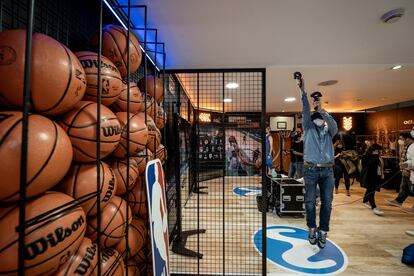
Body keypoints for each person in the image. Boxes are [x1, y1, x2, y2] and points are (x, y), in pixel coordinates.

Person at [298, 80, 338, 249]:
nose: (318, 121)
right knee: (309, 202)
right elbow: (306, 112)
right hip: (311, 170)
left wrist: (321, 109)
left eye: (320, 119)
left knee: (327, 203)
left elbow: (334, 125)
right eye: (315, 119)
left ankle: (323, 230)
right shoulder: (308, 129)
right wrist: (303, 91)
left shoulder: (330, 131)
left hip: (328, 171)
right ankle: (312, 228)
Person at [386, 132, 414, 212]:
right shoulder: (407, 146)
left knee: (411, 188)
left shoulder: (412, 147)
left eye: (401, 139)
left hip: (410, 171)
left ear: (408, 139)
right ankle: (398, 201)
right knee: (404, 186)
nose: (400, 141)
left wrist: (408, 169)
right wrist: (404, 166)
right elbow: (408, 160)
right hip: (407, 170)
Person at [360, 144, 384, 216]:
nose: (378, 152)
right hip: (369, 176)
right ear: (373, 149)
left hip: (376, 176)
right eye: (377, 150)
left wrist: (382, 174)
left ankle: (365, 201)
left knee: (370, 190)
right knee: (371, 191)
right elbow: (371, 164)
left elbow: (380, 166)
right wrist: (375, 156)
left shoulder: (377, 156)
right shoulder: (366, 156)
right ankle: (374, 207)